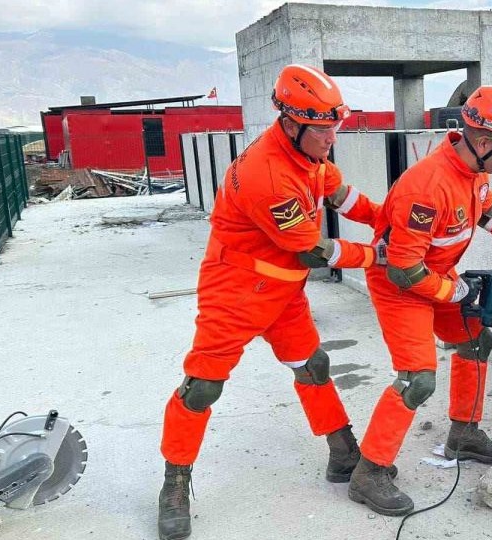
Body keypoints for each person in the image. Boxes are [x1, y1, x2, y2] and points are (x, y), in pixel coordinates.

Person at [157, 64, 388, 540]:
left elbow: (342, 196)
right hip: (235, 289)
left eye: (334, 126)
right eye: (323, 129)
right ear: (291, 121)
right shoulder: (268, 173)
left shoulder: (310, 156)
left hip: (282, 290)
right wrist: (377, 256)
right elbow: (311, 249)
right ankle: (174, 485)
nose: (332, 137)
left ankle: (342, 452)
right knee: (201, 387)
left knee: (313, 365)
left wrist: (388, 217)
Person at [347, 85, 492, 516]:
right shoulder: (427, 186)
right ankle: (369, 472)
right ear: (482, 142)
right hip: (401, 286)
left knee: (476, 341)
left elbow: (488, 210)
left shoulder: (473, 171)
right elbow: (403, 269)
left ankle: (464, 434)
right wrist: (454, 291)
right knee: (417, 379)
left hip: (434, 277)